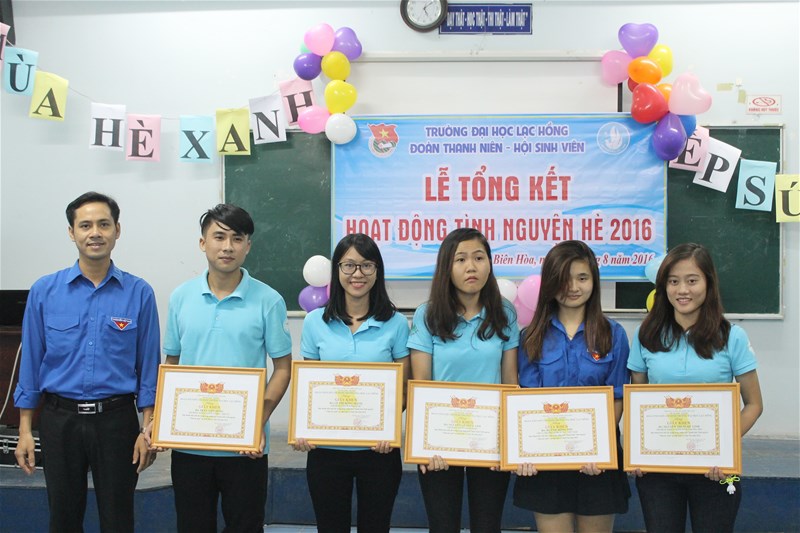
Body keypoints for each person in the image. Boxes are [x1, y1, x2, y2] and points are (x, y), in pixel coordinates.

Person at [13, 191, 160, 533]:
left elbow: (148, 367)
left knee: (118, 518)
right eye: (85, 225)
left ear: (117, 230)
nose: (95, 233)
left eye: (104, 224)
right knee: (63, 518)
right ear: (72, 232)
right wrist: (24, 431)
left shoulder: (139, 292)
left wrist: (147, 428)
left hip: (117, 422)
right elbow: (31, 364)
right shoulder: (44, 291)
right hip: (59, 420)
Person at [157, 204, 292, 533]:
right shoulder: (181, 297)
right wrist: (162, 420)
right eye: (219, 237)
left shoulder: (269, 300)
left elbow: (283, 369)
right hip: (190, 443)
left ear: (248, 246)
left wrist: (258, 420)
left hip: (244, 447)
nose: (227, 246)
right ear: (203, 243)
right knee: (192, 526)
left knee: (245, 526)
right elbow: (171, 363)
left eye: (237, 238)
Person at [628, 243, 763, 533]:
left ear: (709, 283)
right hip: (658, 468)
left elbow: (754, 404)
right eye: (673, 281)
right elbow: (637, 399)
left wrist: (725, 447)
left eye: (692, 280)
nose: (682, 290)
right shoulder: (646, 334)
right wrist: (636, 451)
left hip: (717, 468)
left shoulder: (732, 336)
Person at [294, 233, 410, 533]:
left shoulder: (396, 324)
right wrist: (305, 428)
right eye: (349, 265)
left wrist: (388, 426)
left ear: (377, 271)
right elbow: (310, 388)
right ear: (337, 270)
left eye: (367, 265)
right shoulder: (315, 322)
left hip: (379, 451)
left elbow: (403, 389)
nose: (357, 273)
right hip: (326, 450)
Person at [513, 240, 631, 533]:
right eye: (564, 279)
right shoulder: (531, 337)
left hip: (597, 461)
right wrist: (526, 451)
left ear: (594, 281)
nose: (574, 287)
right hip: (546, 459)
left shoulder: (613, 335)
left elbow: (618, 397)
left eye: (582, 278)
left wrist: (599, 447)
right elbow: (527, 400)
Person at [408, 227, 519, 533]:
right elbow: (421, 385)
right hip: (440, 440)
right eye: (461, 259)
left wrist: (508, 443)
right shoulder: (428, 315)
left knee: (488, 526)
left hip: (491, 441)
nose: (471, 267)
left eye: (479, 258)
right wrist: (423, 445)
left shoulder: (505, 313)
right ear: (447, 266)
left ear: (490, 264)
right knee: (443, 526)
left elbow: (510, 381)